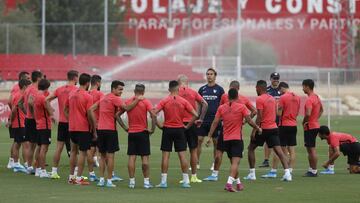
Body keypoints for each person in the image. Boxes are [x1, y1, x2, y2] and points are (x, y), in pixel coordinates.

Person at [207, 88, 262, 192]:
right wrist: (257, 128)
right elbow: (249, 121)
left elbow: (215, 122)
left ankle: (239, 183)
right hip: (236, 139)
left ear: (227, 97)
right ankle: (229, 184)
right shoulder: (241, 107)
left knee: (233, 163)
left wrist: (209, 136)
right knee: (235, 163)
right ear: (237, 96)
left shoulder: (222, 108)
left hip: (225, 138)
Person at [89, 80, 141, 188]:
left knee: (102, 157)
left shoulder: (103, 97)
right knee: (110, 156)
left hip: (101, 129)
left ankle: (101, 180)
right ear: (113, 89)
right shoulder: (115, 98)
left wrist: (95, 123)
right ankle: (109, 181)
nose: (121, 91)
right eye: (120, 89)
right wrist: (137, 100)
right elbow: (126, 108)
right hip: (110, 130)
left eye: (122, 89)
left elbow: (90, 109)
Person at [152, 80, 199, 188]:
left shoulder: (165, 100)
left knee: (165, 156)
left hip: (167, 129)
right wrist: (187, 126)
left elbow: (153, 113)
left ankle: (163, 182)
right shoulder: (183, 101)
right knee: (182, 155)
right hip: (179, 129)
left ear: (169, 89)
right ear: (178, 89)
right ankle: (186, 181)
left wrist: (159, 125)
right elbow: (196, 115)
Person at [244, 80, 292, 182]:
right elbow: (275, 113)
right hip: (273, 128)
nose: (255, 89)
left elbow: (259, 116)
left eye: (256, 88)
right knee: (279, 151)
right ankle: (287, 174)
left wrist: (254, 130)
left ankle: (252, 174)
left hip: (263, 129)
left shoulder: (260, 99)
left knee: (251, 148)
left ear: (259, 88)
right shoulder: (272, 98)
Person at [119, 84, 156, 189]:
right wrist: (153, 129)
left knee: (132, 157)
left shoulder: (128, 101)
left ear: (134, 91)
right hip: (143, 132)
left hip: (132, 133)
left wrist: (125, 127)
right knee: (145, 158)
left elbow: (117, 115)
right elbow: (153, 115)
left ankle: (131, 182)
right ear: (143, 92)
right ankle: (146, 182)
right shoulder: (145, 101)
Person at [262, 82, 300, 178]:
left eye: (280, 90)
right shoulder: (297, 97)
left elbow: (279, 113)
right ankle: (289, 171)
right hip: (293, 124)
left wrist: (275, 109)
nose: (279, 92)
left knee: (279, 150)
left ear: (282, 88)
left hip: (284, 125)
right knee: (291, 150)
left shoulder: (283, 97)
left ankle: (274, 171)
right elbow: (297, 112)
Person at [46, 70, 79, 179]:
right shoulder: (76, 90)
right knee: (74, 149)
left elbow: (47, 100)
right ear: (75, 78)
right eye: (77, 77)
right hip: (73, 123)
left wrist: (51, 113)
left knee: (59, 148)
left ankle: (54, 171)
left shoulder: (59, 90)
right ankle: (75, 174)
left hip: (62, 122)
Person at [65, 73, 95, 185]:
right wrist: (94, 127)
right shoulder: (88, 96)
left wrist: (71, 119)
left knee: (73, 151)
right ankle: (78, 178)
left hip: (72, 127)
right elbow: (90, 114)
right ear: (88, 83)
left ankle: (71, 177)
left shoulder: (72, 93)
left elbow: (65, 109)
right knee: (82, 153)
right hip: (83, 128)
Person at [178, 74, 208, 183]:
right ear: (187, 82)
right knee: (193, 150)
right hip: (193, 123)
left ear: (178, 83)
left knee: (182, 151)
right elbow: (205, 104)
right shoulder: (193, 92)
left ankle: (185, 178)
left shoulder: (176, 93)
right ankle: (194, 176)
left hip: (180, 124)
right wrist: (201, 118)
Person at [197, 68, 225, 170]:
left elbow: (223, 104)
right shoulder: (202, 89)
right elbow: (199, 104)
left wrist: (222, 117)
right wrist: (198, 116)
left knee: (216, 142)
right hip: (203, 120)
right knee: (199, 140)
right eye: (208, 74)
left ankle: (214, 163)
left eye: (211, 74)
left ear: (215, 76)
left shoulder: (220, 90)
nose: (209, 76)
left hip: (215, 120)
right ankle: (197, 162)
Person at [6, 78, 31, 173]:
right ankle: (25, 164)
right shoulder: (21, 95)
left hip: (18, 123)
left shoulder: (15, 95)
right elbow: (13, 110)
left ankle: (16, 164)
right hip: (21, 123)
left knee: (17, 143)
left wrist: (11, 121)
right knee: (25, 144)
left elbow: (12, 107)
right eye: (28, 86)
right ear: (25, 86)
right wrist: (11, 121)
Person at [21, 70, 44, 175]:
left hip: (28, 119)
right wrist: (34, 116)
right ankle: (37, 167)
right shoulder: (34, 89)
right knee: (38, 145)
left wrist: (27, 113)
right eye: (42, 77)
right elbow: (30, 102)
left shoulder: (27, 89)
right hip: (34, 120)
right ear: (38, 78)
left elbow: (20, 103)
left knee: (31, 145)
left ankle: (29, 167)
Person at [30, 79, 53, 178]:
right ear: (47, 87)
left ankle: (38, 169)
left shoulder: (35, 96)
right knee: (44, 148)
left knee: (39, 147)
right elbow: (49, 111)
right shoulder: (43, 98)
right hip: (45, 125)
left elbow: (30, 104)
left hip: (38, 124)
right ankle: (43, 171)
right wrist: (52, 112)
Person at [302, 79, 323, 177]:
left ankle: (314, 171)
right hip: (315, 125)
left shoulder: (309, 99)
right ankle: (311, 169)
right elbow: (322, 110)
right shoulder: (317, 97)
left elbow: (308, 113)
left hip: (310, 126)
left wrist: (304, 121)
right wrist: (315, 119)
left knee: (311, 149)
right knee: (310, 149)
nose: (302, 89)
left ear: (307, 86)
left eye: (303, 86)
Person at [260, 72, 281, 168]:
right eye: (274, 78)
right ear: (271, 79)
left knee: (280, 140)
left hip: (280, 119)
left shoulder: (282, 90)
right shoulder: (267, 90)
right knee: (267, 141)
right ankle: (266, 160)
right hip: (269, 119)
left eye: (277, 78)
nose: (276, 80)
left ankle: (279, 159)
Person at [88, 75, 104, 169]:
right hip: (97, 122)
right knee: (98, 144)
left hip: (87, 123)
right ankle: (96, 160)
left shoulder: (86, 93)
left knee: (90, 145)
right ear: (98, 83)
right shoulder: (99, 94)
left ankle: (93, 160)